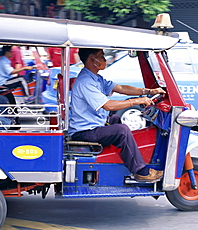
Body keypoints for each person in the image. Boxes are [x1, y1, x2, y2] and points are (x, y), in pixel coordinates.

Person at [68, 48, 165, 182]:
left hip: (94, 125)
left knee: (115, 119)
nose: (105, 60)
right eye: (101, 57)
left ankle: (124, 156)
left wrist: (148, 91)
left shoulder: (96, 78)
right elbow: (108, 105)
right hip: (84, 132)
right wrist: (136, 101)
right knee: (122, 131)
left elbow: (121, 88)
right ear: (92, 60)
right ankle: (141, 171)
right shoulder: (86, 82)